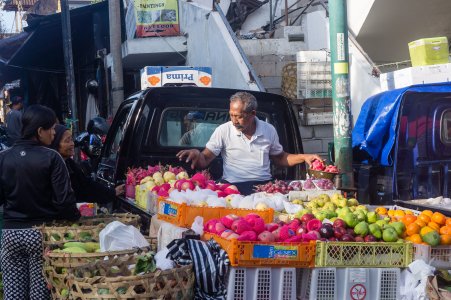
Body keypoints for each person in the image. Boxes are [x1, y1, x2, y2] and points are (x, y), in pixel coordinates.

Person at [0, 105, 79, 300]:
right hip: (41, 235)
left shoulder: (3, 158)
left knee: (13, 295)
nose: (54, 133)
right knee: (40, 295)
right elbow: (64, 201)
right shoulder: (52, 157)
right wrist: (76, 219)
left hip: (11, 235)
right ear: (39, 131)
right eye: (51, 128)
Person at [176, 91, 322, 195]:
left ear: (253, 114)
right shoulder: (223, 130)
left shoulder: (268, 130)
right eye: (231, 115)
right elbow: (205, 159)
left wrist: (304, 157)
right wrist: (196, 153)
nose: (234, 121)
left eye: (239, 117)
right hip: (232, 187)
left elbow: (279, 157)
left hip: (264, 187)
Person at [49, 124, 124, 203]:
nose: (72, 144)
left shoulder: (69, 164)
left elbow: (86, 185)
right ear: (56, 144)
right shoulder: (53, 168)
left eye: (71, 139)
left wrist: (112, 192)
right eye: (67, 141)